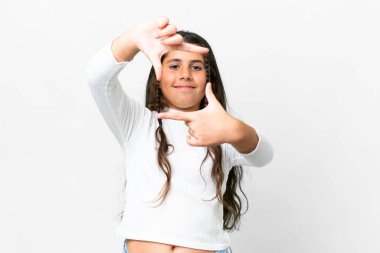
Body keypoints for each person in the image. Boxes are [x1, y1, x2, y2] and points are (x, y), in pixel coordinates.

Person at [85, 16, 274, 253]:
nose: (185, 74)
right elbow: (97, 78)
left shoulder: (220, 132)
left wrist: (234, 130)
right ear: (158, 74)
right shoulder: (136, 123)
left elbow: (264, 155)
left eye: (196, 67)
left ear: (209, 78)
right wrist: (132, 39)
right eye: (174, 66)